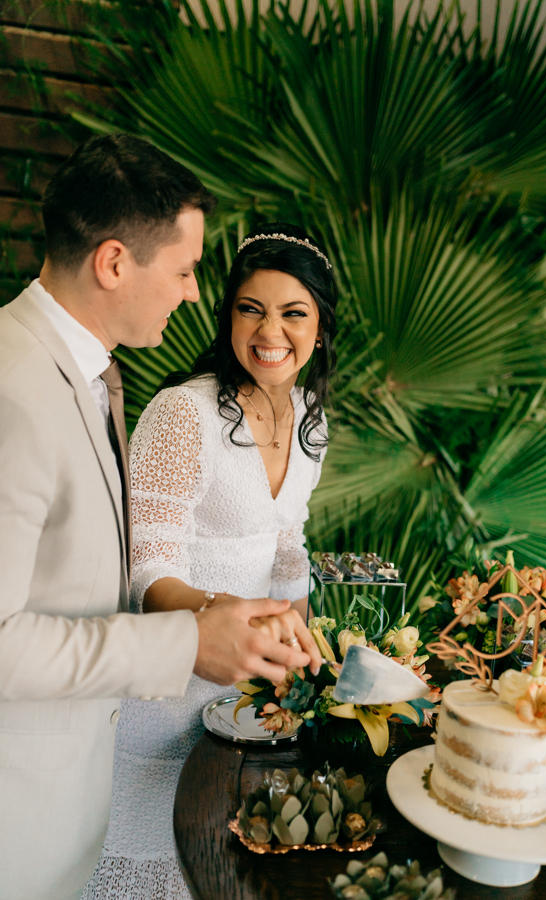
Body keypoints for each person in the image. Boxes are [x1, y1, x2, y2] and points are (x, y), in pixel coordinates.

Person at [0, 135, 320, 900]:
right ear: (114, 263)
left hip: (67, 790)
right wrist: (187, 635)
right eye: (181, 271)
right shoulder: (14, 389)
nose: (189, 293)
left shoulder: (85, 373)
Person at [82, 223, 338, 898]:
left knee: (220, 871)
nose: (269, 331)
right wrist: (216, 619)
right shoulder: (182, 413)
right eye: (250, 308)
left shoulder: (311, 417)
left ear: (321, 326)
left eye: (293, 313)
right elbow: (144, 572)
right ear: (228, 315)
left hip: (246, 703)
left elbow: (289, 542)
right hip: (161, 694)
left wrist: (301, 650)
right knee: (148, 871)